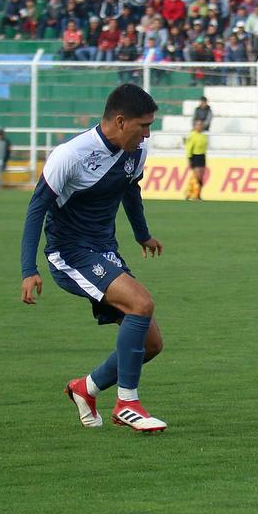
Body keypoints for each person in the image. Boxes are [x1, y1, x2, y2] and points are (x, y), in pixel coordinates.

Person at [20, 84, 167, 433]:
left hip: (104, 251)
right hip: (69, 252)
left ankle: (85, 389)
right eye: (142, 125)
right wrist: (29, 269)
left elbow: (130, 189)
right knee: (142, 304)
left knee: (151, 344)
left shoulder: (136, 151)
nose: (148, 133)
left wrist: (142, 234)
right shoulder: (70, 155)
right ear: (119, 121)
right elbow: (36, 208)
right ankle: (127, 403)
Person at [184, 118, 207, 201]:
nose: (200, 126)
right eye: (198, 125)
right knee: (196, 177)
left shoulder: (204, 136)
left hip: (202, 157)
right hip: (195, 156)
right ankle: (190, 193)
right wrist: (190, 159)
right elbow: (188, 148)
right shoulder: (192, 135)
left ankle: (198, 194)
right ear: (194, 126)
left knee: (201, 178)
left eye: (201, 125)